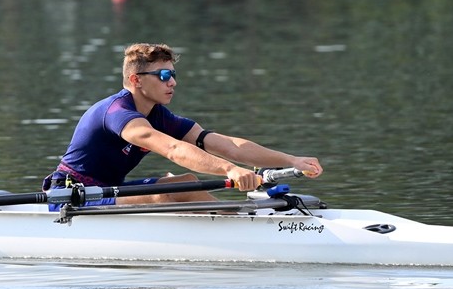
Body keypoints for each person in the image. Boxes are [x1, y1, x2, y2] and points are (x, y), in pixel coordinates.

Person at [43, 42, 322, 206]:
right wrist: (230, 170)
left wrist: (291, 160)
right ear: (136, 80)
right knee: (167, 192)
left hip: (109, 190)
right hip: (71, 196)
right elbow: (174, 150)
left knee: (186, 183)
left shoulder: (159, 115)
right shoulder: (118, 112)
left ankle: (233, 222)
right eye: (164, 75)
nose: (173, 82)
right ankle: (235, 229)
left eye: (173, 74)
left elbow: (227, 145)